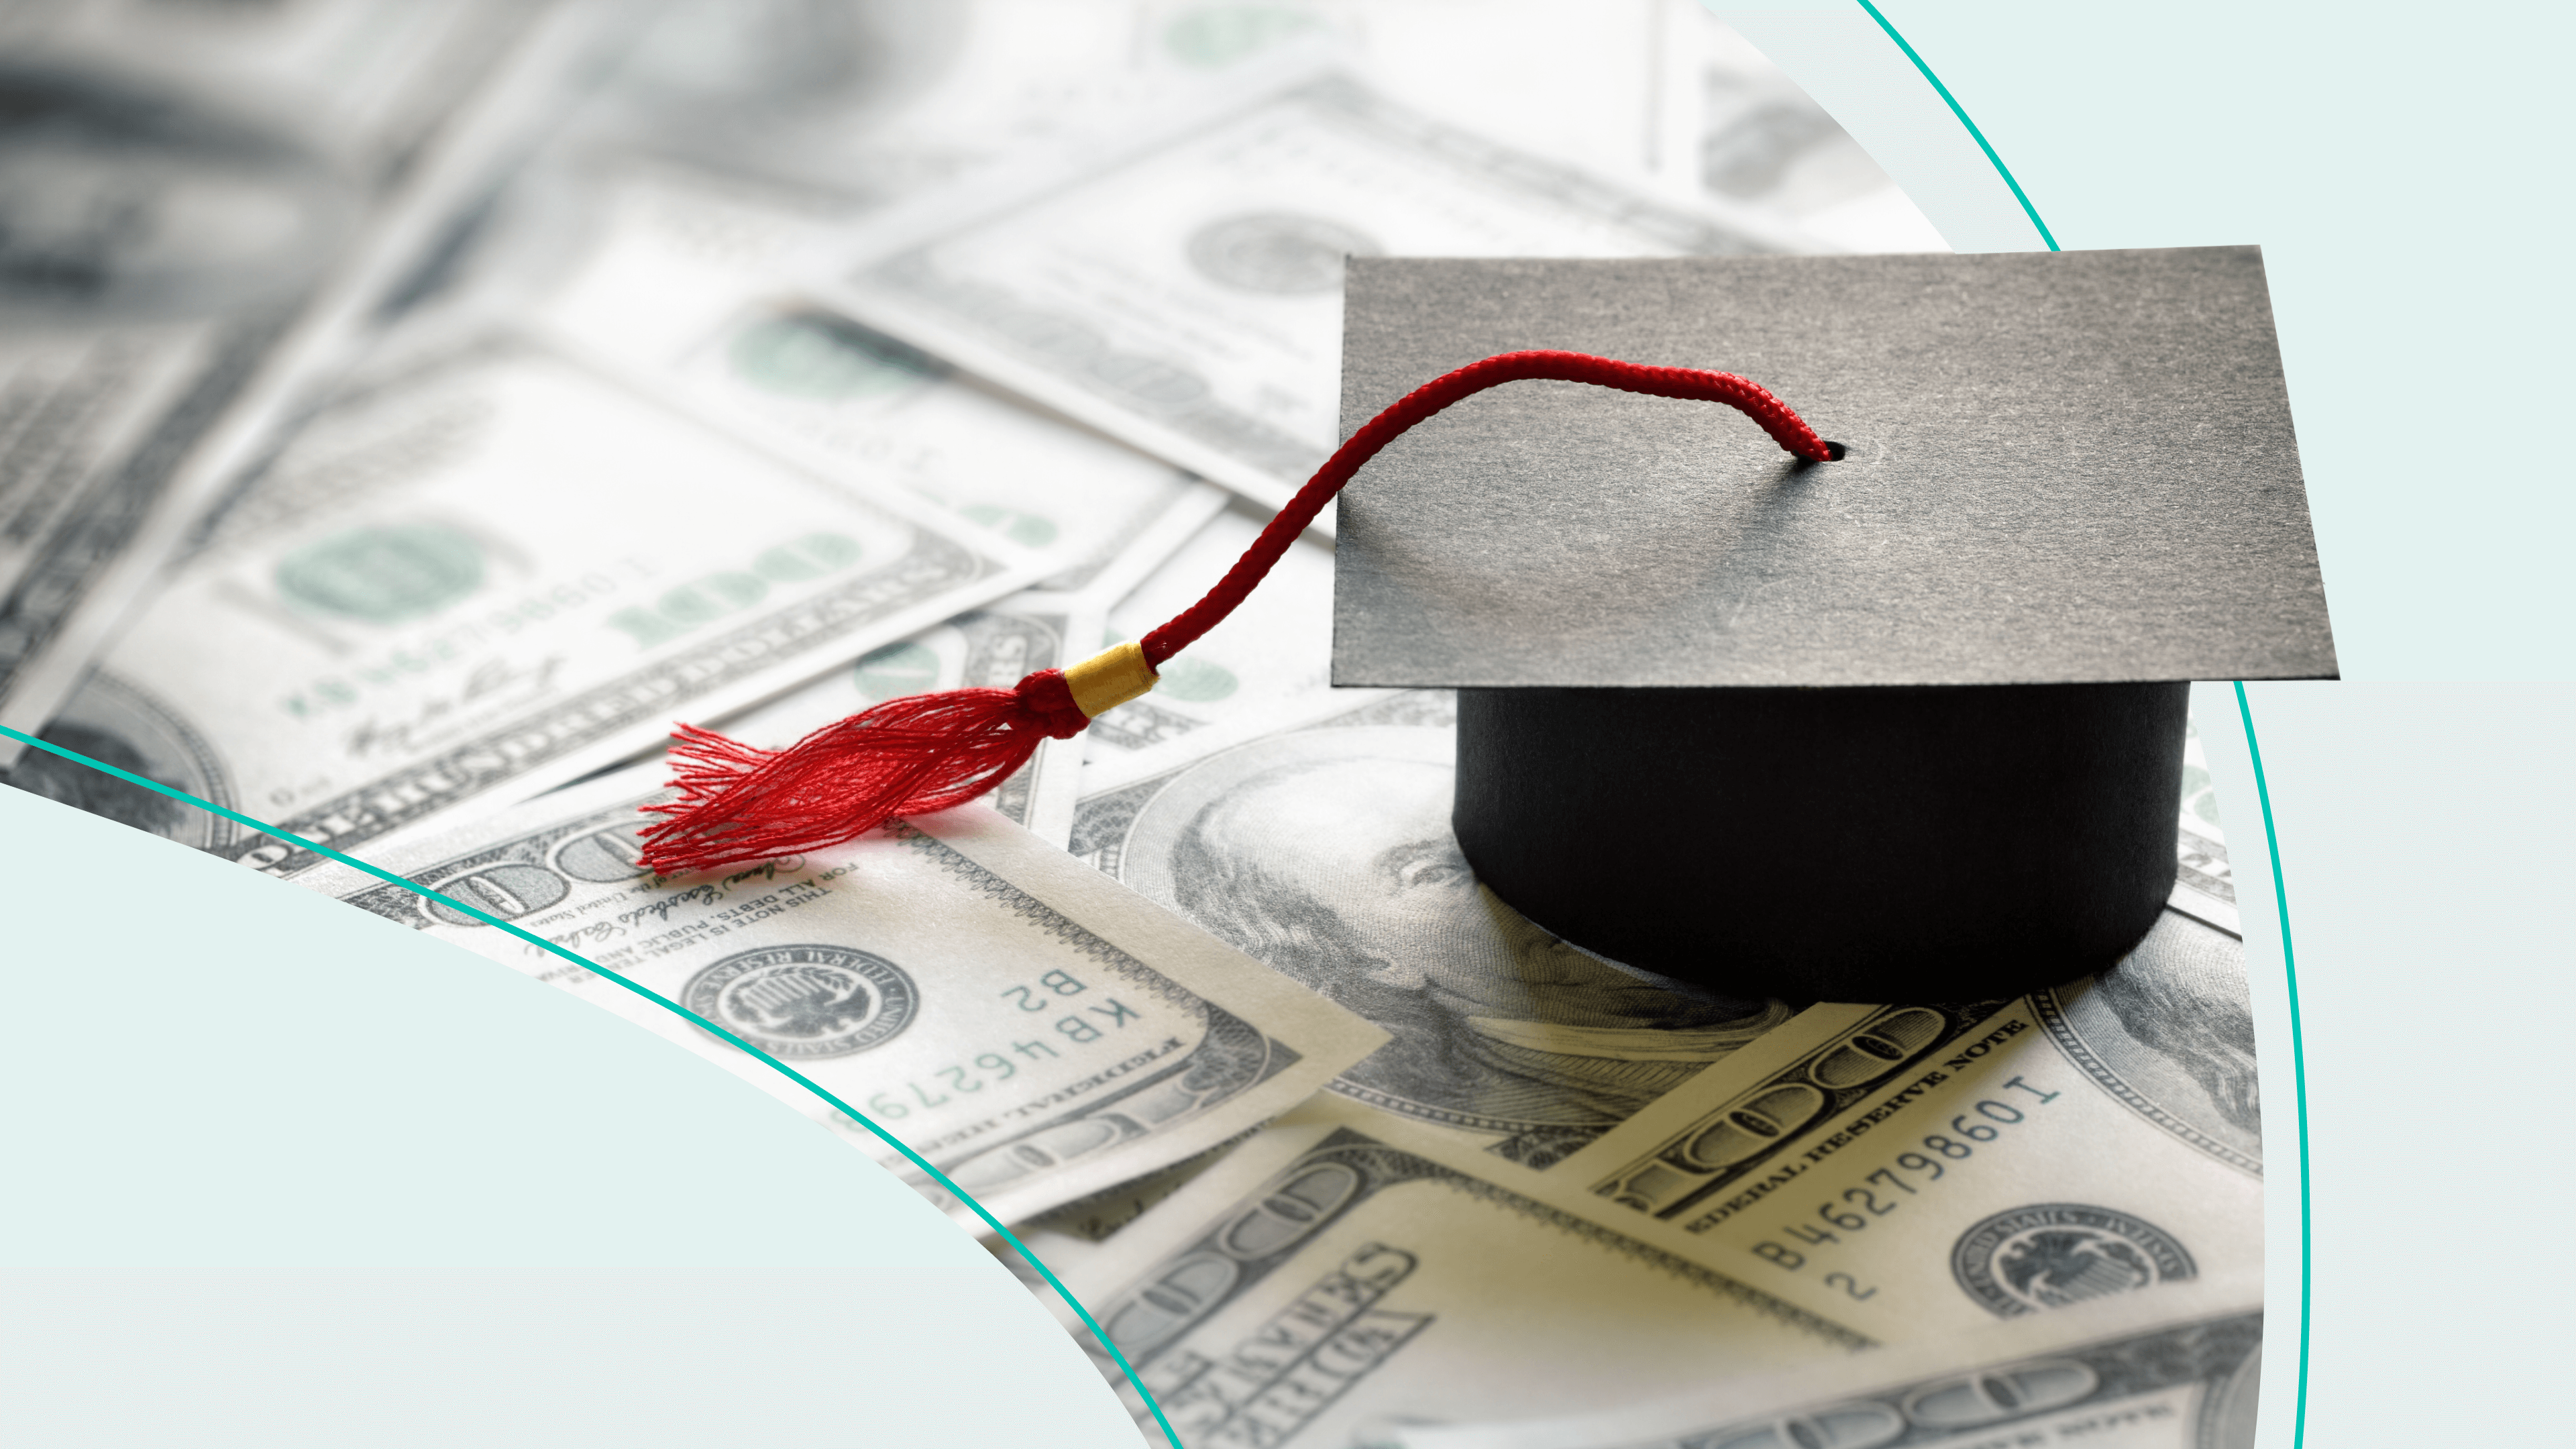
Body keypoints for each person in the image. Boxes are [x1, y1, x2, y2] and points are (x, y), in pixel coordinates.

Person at [1167, 750, 1790, 1144]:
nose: (1509, 862)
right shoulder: (1527, 1109)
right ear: (1369, 958)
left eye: (1489, 819)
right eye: (1430, 873)